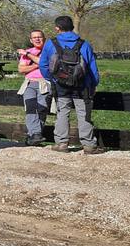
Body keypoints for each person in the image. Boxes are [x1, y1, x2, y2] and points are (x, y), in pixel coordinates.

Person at [38, 15, 104, 154]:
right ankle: (89, 146)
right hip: (81, 85)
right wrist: (93, 84)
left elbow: (43, 64)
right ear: (72, 27)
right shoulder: (84, 44)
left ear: (57, 28)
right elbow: (92, 68)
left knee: (62, 113)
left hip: (61, 85)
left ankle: (62, 144)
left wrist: (52, 79)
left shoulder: (51, 43)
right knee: (84, 114)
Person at [18, 30, 50, 146]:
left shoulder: (49, 51)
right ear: (31, 40)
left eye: (39, 37)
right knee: (30, 107)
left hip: (45, 83)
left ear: (44, 38)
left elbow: (47, 64)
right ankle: (36, 135)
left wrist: (29, 57)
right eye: (34, 37)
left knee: (42, 109)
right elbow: (21, 69)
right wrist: (38, 65)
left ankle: (33, 136)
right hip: (30, 83)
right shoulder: (28, 52)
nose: (37, 39)